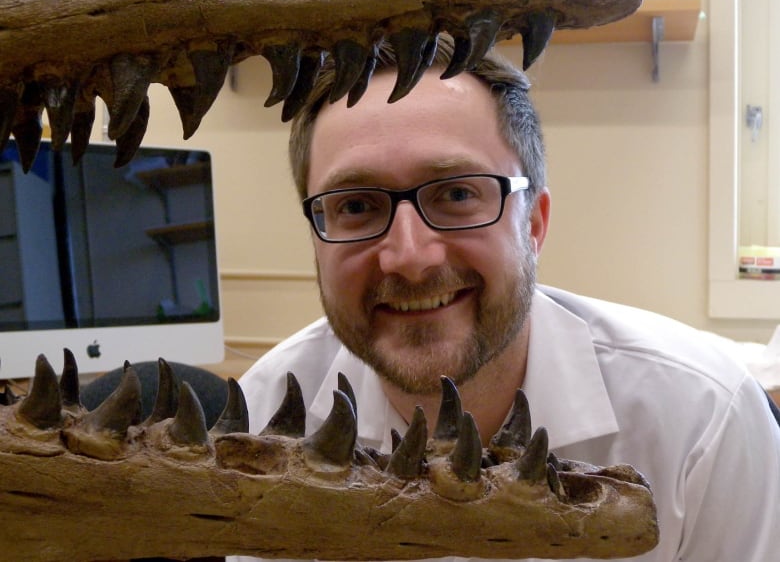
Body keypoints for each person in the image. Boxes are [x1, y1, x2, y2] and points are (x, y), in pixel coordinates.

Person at [232, 37, 780, 562]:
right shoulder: (265, 415)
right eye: (356, 206)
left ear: (534, 224)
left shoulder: (704, 422)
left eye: (457, 194)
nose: (409, 256)